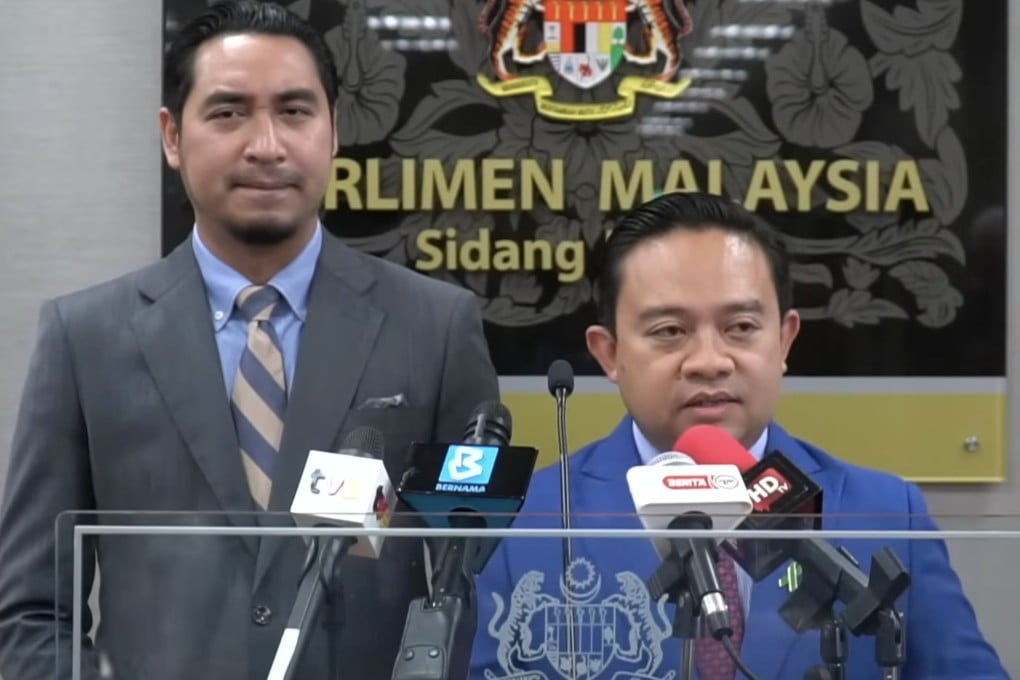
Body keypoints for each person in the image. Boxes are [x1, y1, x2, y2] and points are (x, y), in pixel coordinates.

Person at [0, 2, 498, 679]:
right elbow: (32, 615)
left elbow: (466, 584)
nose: (266, 145)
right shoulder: (84, 339)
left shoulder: (435, 328)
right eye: (229, 112)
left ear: (332, 131)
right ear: (172, 136)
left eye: (294, 112)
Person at [469, 192, 1006, 679]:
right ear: (609, 354)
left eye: (741, 327)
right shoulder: (526, 519)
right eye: (670, 331)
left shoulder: (885, 512)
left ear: (785, 339)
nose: (709, 361)